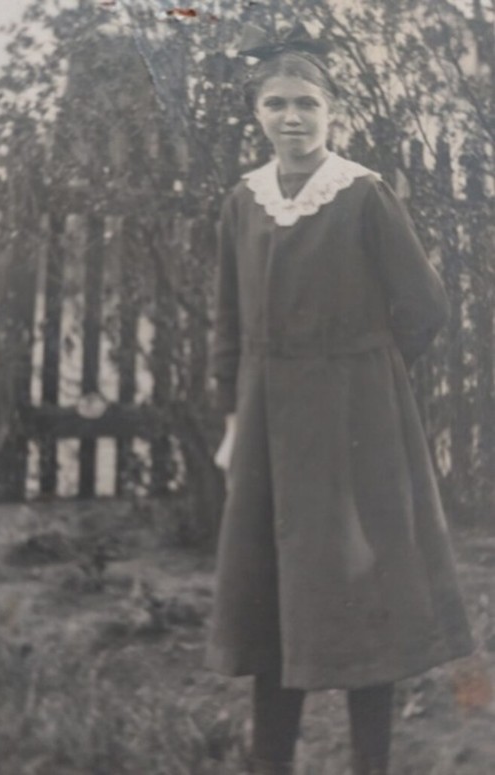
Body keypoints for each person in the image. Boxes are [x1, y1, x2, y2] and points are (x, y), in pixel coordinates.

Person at [205, 22, 474, 775]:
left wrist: (366, 381)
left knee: (366, 591)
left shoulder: (361, 195)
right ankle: (270, 761)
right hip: (264, 432)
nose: (291, 118)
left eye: (306, 105)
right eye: (275, 105)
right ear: (257, 114)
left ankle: (369, 761)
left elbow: (423, 307)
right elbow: (227, 322)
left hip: (356, 428)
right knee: (268, 594)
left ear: (332, 114)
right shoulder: (242, 202)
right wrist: (233, 418)